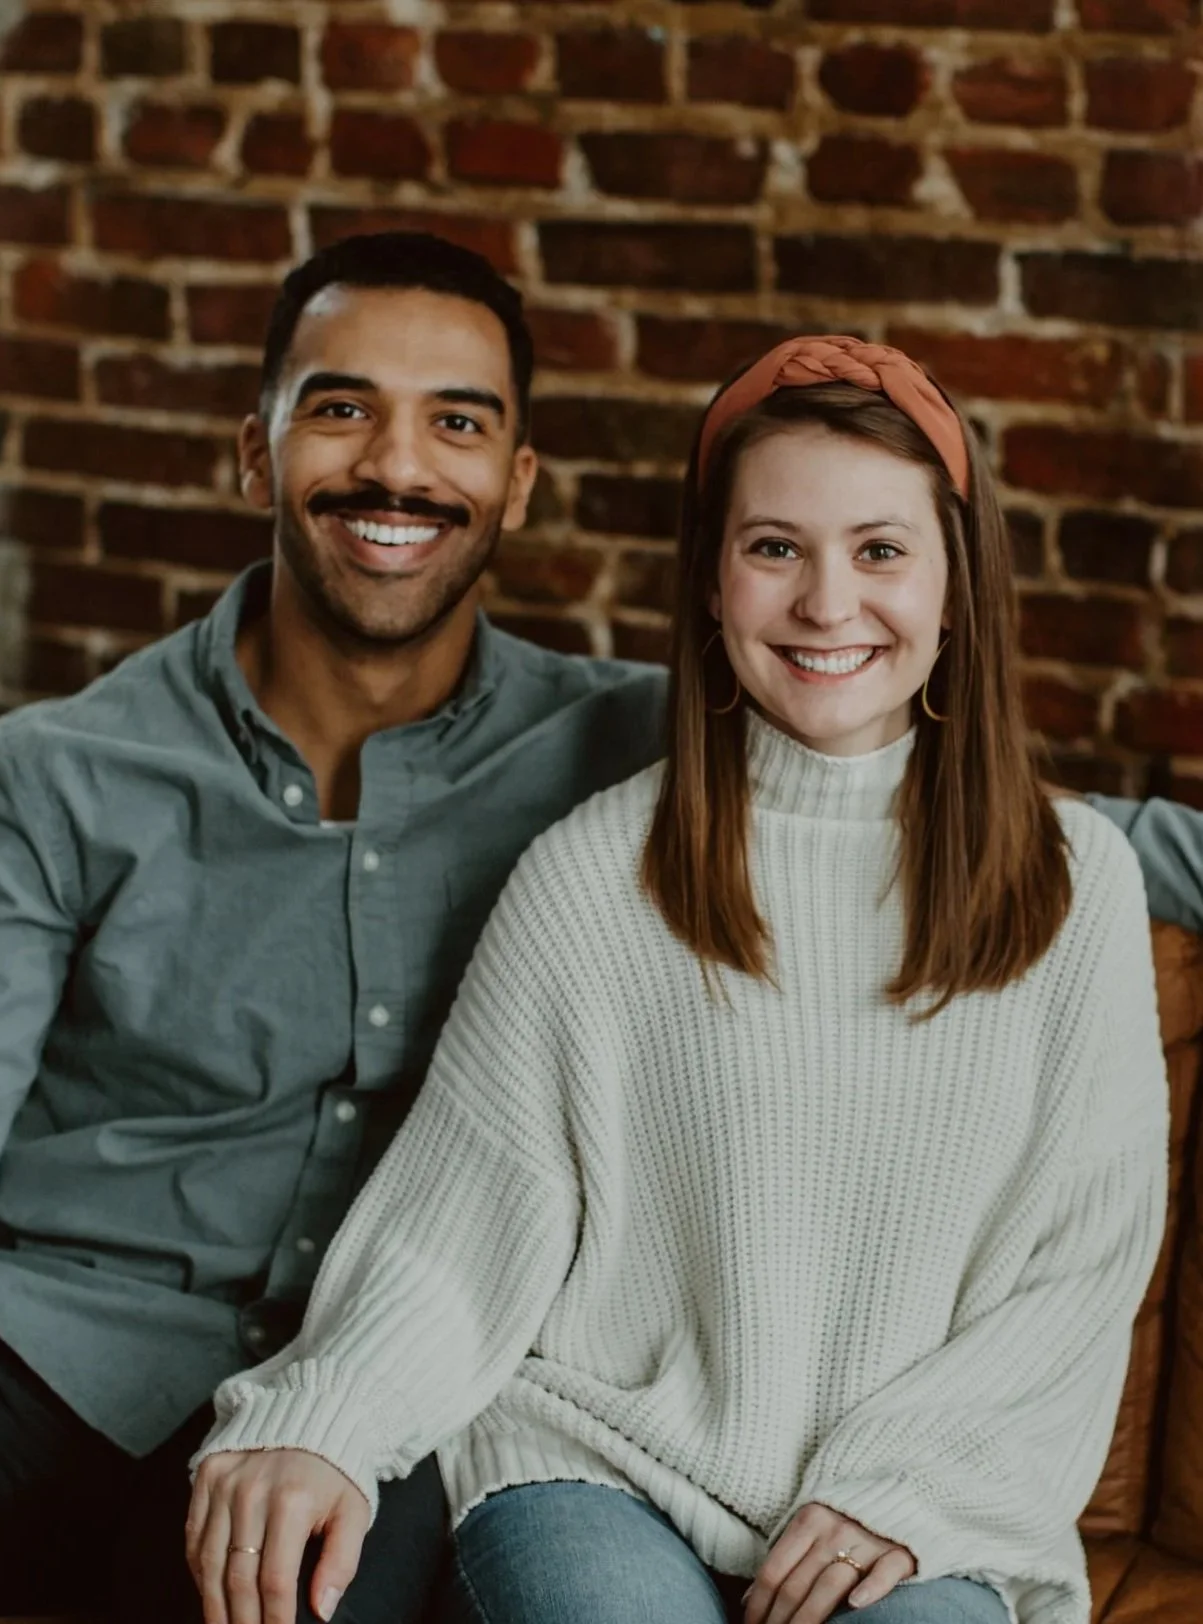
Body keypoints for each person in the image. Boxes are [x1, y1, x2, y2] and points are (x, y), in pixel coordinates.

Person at [187, 337, 1169, 1624]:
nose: (827, 603)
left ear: (956, 584)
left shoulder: (1074, 881)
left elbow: (1079, 1271)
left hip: (924, 1504)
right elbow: (461, 1222)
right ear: (711, 583)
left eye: (879, 550)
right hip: (601, 1466)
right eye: (774, 548)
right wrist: (319, 1419)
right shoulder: (595, 874)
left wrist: (908, 1485)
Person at [0, 233, 667, 1624]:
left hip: (365, 1388)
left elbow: (971, 815)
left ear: (515, 485)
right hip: (31, 1344)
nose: (395, 465)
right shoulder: (52, 771)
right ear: (254, 455)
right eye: (339, 407)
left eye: (456, 422)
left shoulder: (630, 750)